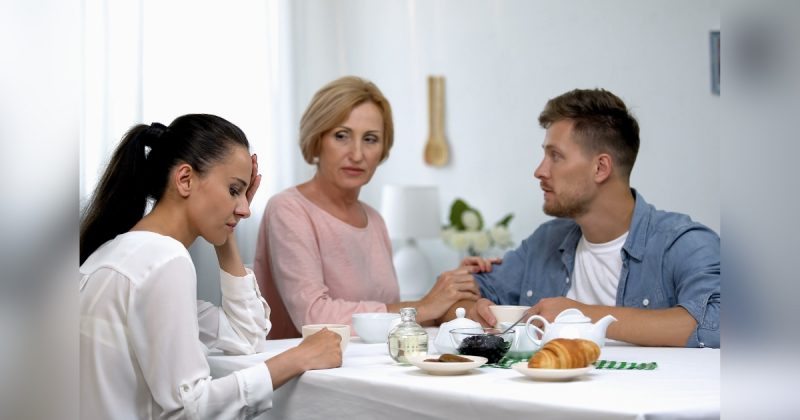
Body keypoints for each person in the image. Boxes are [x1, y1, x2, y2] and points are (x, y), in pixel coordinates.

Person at [79, 114, 342, 419]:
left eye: (245, 194)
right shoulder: (164, 259)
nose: (245, 209)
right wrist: (298, 358)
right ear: (185, 179)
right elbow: (189, 410)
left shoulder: (114, 253)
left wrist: (226, 227)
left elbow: (245, 337)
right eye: (234, 190)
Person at [441, 88, 720, 348]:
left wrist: (582, 315)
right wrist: (475, 313)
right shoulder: (546, 242)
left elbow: (720, 323)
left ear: (600, 167)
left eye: (556, 156)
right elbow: (456, 300)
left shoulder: (685, 243)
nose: (539, 171)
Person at [254, 76, 480, 338]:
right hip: (307, 375)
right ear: (316, 139)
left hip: (369, 369)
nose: (357, 154)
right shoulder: (287, 209)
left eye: (371, 139)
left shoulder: (374, 220)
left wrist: (459, 283)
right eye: (342, 136)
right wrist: (421, 307)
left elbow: (391, 318)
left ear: (383, 149)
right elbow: (313, 318)